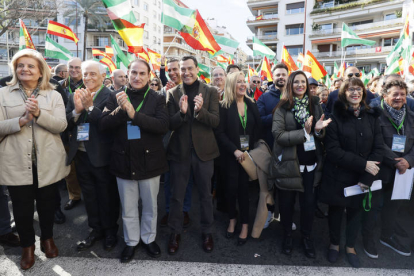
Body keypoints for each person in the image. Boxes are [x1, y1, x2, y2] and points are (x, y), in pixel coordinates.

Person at [0, 49, 70, 270]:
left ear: (41, 71)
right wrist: (20, 121)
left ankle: (47, 239)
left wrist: (39, 114)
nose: (25, 69)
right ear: (15, 69)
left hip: (48, 161)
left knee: (47, 205)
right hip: (15, 161)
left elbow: (61, 125)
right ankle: (27, 247)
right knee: (21, 209)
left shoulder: (54, 94)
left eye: (30, 66)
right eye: (20, 65)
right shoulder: (2, 94)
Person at [100, 59, 169, 262]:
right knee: (128, 207)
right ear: (128, 74)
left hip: (151, 161)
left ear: (149, 76)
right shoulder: (115, 96)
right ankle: (131, 242)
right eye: (134, 73)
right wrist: (122, 110)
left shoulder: (157, 98)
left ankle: (148, 239)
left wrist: (133, 114)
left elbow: (162, 125)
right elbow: (103, 124)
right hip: (123, 160)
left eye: (142, 74)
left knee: (150, 206)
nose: (137, 77)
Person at [319, 77, 383, 268]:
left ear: (363, 93)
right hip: (338, 175)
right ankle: (334, 244)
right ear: (343, 93)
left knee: (355, 212)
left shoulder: (372, 117)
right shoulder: (334, 117)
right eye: (350, 90)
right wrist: (363, 164)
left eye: (358, 89)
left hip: (362, 177)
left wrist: (367, 175)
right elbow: (333, 150)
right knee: (336, 211)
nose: (355, 93)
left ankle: (350, 247)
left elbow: (379, 148)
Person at [270, 70, 331, 259]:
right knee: (287, 205)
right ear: (290, 84)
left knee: (308, 205)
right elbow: (278, 135)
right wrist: (305, 133)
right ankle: (287, 235)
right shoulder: (282, 107)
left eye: (303, 82)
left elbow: (321, 134)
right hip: (289, 165)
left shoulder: (315, 104)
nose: (300, 85)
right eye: (296, 82)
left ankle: (306, 237)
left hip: (311, 164)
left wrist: (318, 131)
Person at [167, 56, 219, 254]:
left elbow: (215, 121)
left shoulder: (211, 91)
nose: (186, 72)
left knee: (206, 195)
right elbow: (169, 124)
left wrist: (200, 111)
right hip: (179, 153)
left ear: (198, 69)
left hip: (204, 153)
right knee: (177, 196)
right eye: (183, 69)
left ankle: (207, 232)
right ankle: (175, 232)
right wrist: (181, 113)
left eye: (190, 68)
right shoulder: (172, 93)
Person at [66, 60, 120, 253]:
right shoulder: (76, 95)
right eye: (85, 74)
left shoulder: (111, 96)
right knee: (89, 196)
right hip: (80, 155)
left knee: (106, 196)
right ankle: (95, 229)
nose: (87, 78)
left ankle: (110, 231)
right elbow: (67, 122)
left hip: (102, 156)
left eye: (92, 74)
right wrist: (76, 111)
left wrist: (90, 107)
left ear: (103, 76)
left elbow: (108, 124)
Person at [362, 80, 413, 258]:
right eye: (395, 94)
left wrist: (408, 161)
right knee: (373, 206)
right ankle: (367, 238)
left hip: (403, 171)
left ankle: (387, 235)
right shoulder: (374, 115)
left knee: (394, 205)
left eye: (402, 94)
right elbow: (376, 142)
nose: (399, 97)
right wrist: (395, 160)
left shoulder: (411, 116)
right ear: (384, 96)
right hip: (380, 169)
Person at [215, 72, 261, 246]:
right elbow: (219, 133)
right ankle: (232, 220)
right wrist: (234, 150)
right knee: (230, 191)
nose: (242, 84)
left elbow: (258, 127)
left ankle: (244, 225)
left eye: (244, 81)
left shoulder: (252, 103)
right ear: (231, 85)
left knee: (244, 192)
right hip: (230, 157)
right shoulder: (224, 106)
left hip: (248, 157)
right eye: (238, 82)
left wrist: (251, 150)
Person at [158, 56, 193, 229]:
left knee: (186, 181)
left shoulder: (192, 88)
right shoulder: (165, 91)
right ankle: (169, 210)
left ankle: (184, 211)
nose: (172, 73)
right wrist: (166, 94)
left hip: (189, 144)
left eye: (175, 69)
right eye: (169, 70)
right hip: (170, 143)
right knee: (170, 180)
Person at [256, 63, 289, 230]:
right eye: (278, 75)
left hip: (289, 149)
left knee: (286, 186)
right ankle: (268, 213)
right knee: (268, 184)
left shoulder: (295, 95)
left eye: (284, 74)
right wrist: (276, 116)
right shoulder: (264, 98)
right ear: (273, 77)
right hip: (269, 147)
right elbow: (259, 120)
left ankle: (284, 216)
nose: (281, 77)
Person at [60, 57, 84, 210]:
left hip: (84, 131)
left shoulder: (89, 84)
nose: (74, 70)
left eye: (77, 67)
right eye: (71, 67)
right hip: (65, 131)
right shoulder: (59, 86)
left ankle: (90, 195)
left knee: (86, 166)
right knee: (69, 168)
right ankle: (74, 196)